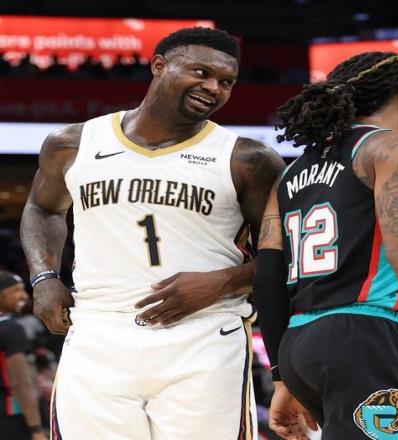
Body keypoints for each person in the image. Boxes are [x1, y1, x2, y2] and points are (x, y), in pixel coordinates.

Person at [20, 27, 285, 439]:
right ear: (159, 65)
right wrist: (44, 277)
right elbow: (43, 208)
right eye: (201, 73)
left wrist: (222, 282)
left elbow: (286, 252)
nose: (213, 88)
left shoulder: (249, 159)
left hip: (204, 333)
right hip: (96, 329)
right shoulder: (73, 143)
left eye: (226, 82)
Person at [253, 51, 398, 439]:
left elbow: (268, 275)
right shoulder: (397, 147)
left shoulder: (292, 171)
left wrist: (281, 375)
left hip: (298, 343)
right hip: (365, 334)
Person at [0, 270, 47, 440]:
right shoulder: (11, 328)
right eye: (16, 291)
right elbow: (21, 382)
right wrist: (36, 428)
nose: (24, 296)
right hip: (12, 417)